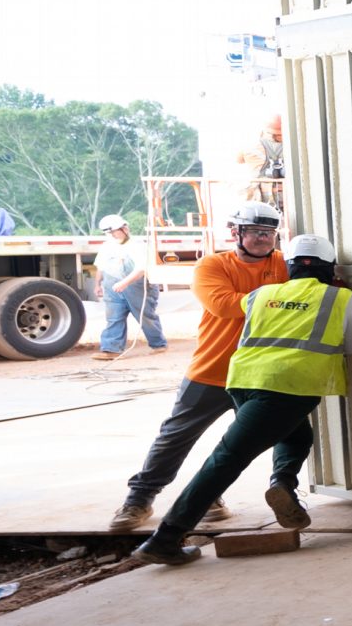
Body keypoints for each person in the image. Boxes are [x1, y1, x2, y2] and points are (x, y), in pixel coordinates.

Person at [134, 233, 352, 565]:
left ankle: (282, 482)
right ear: (330, 269)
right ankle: (166, 538)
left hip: (242, 381)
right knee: (226, 459)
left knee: (297, 434)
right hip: (290, 387)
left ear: (288, 268)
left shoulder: (260, 294)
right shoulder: (342, 299)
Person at [108, 201, 293, 532]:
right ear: (235, 232)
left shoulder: (283, 264)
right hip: (213, 370)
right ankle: (139, 499)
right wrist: (283, 299)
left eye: (269, 232)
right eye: (255, 232)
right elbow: (224, 306)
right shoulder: (213, 266)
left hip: (260, 374)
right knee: (175, 437)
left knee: (254, 441)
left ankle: (209, 496)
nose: (264, 239)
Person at [90, 214, 166, 359]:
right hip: (112, 286)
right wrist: (97, 284)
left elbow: (141, 269)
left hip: (138, 286)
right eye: (110, 233)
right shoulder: (107, 246)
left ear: (124, 228)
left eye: (115, 231)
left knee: (145, 316)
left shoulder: (138, 246)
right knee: (114, 317)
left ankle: (158, 344)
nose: (113, 235)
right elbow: (101, 266)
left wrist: (125, 283)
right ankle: (111, 349)